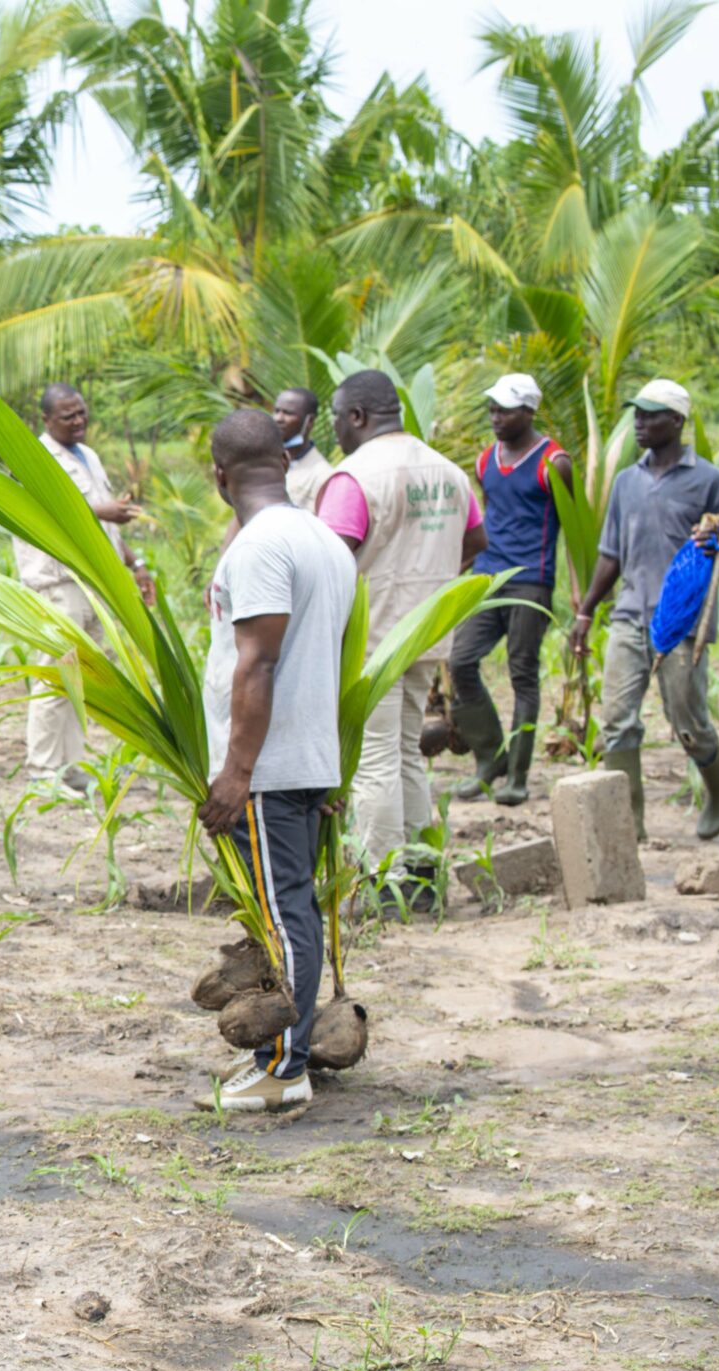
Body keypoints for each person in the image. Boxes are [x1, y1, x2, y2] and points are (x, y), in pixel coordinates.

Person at [195, 411, 357, 1113]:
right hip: (304, 755)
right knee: (290, 911)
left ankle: (283, 1068)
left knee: (286, 914)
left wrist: (236, 771)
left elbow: (256, 665)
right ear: (286, 464)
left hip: (269, 765)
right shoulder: (322, 539)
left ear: (219, 475)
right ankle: (281, 1059)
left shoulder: (261, 546)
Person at [316, 369, 485, 885]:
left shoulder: (356, 476)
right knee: (408, 750)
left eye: (337, 419)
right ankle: (421, 870)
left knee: (373, 760)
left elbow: (327, 557)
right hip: (426, 634)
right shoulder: (449, 472)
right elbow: (475, 542)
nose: (336, 431)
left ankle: (382, 880)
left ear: (358, 417)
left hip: (370, 643)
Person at [568, 378, 719, 842]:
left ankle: (718, 789)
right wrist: (585, 613)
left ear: (677, 421)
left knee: (687, 721)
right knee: (618, 721)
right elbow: (610, 554)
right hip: (628, 615)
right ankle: (630, 827)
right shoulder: (627, 481)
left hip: (681, 622)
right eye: (636, 414)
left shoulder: (709, 480)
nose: (638, 422)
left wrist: (716, 541)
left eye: (649, 415)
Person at [14, 383, 152, 789]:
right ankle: (42, 771)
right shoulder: (35, 459)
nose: (79, 421)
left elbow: (106, 527)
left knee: (83, 679)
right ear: (46, 419)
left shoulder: (87, 456)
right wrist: (102, 511)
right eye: (68, 416)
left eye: (82, 413)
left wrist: (136, 564)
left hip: (94, 583)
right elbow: (46, 514)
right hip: (58, 584)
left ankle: (69, 767)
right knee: (56, 677)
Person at [452, 374, 571, 807]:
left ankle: (517, 775)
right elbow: (487, 519)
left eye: (505, 410)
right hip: (488, 576)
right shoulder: (486, 460)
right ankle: (490, 758)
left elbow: (570, 527)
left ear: (528, 412)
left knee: (522, 674)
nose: (495, 417)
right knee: (461, 660)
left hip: (530, 579)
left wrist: (577, 592)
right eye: (493, 409)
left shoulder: (554, 462)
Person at [272, 387, 334, 509]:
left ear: (310, 421)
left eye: (288, 413)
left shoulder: (321, 475)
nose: (278, 418)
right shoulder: (265, 462)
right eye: (277, 411)